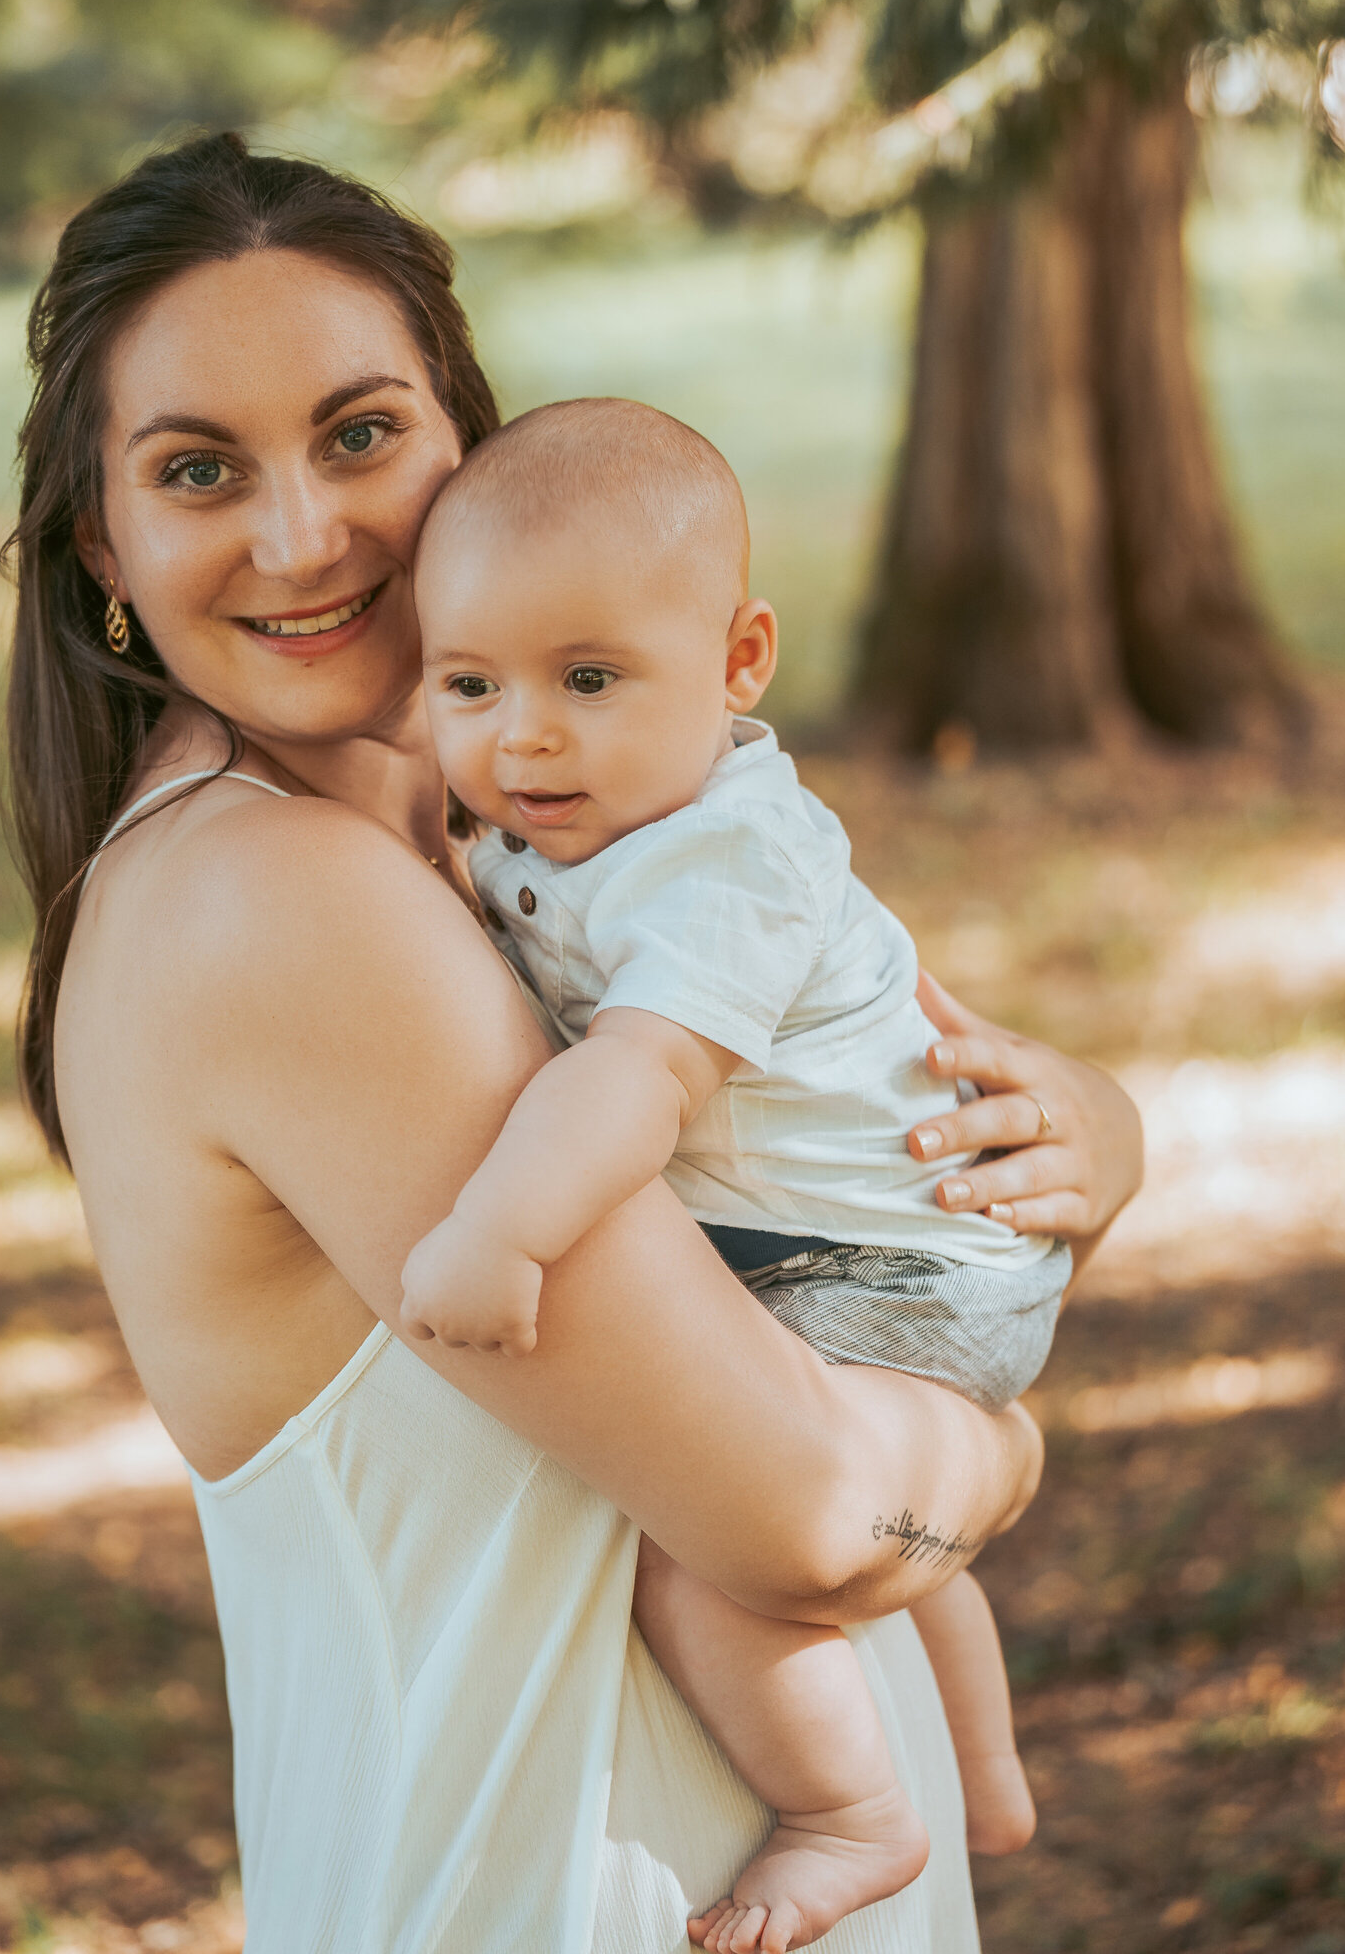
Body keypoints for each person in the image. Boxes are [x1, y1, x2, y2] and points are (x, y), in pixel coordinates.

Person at [5, 132, 1144, 1954]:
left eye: (361, 433)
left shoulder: (505, 842)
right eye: (200, 470)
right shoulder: (272, 902)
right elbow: (813, 1525)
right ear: (107, 548)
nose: (304, 536)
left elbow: (840, 1073)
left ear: (467, 444)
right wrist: (996, 1457)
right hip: (559, 1894)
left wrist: (1092, 1128)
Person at [401, 399, 1069, 1954]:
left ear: (741, 661)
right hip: (864, 1242)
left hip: (893, 1265)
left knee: (692, 1532)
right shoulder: (571, 807)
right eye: (468, 685)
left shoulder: (723, 859)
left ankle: (852, 1812)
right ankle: (982, 1777)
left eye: (587, 679)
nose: (524, 737)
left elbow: (635, 1079)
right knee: (807, 1510)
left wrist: (501, 1230)